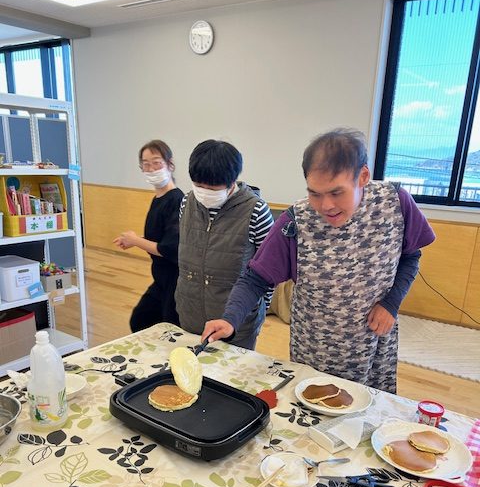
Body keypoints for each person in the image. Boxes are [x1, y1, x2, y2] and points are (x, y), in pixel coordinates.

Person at [201, 129, 436, 393]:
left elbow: (411, 256)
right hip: (315, 348)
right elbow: (255, 278)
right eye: (315, 193)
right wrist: (230, 319)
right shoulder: (296, 221)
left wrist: (391, 303)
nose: (325, 206)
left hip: (373, 340)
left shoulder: (394, 202)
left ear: (363, 177)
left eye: (336, 193)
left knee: (368, 406)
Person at [175, 139, 274, 350]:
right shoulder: (186, 202)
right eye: (198, 186)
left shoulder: (257, 211)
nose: (203, 192)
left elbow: (268, 272)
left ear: (232, 181)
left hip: (236, 324)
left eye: (212, 188)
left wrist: (257, 311)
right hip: (190, 313)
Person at [114, 140, 184, 332]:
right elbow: (160, 237)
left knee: (170, 328)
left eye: (156, 162)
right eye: (146, 164)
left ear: (170, 164)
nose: (151, 169)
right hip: (161, 277)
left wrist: (136, 240)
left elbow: (169, 249)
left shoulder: (176, 200)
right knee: (140, 319)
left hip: (175, 279)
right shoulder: (158, 199)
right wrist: (133, 240)